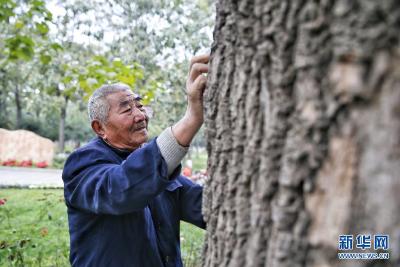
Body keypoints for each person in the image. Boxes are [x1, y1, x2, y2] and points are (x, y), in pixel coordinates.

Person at [62, 54, 209, 267]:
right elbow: (123, 187)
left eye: (139, 106)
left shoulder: (157, 167)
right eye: (126, 109)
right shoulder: (82, 164)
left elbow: (206, 207)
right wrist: (192, 118)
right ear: (99, 128)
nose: (140, 115)